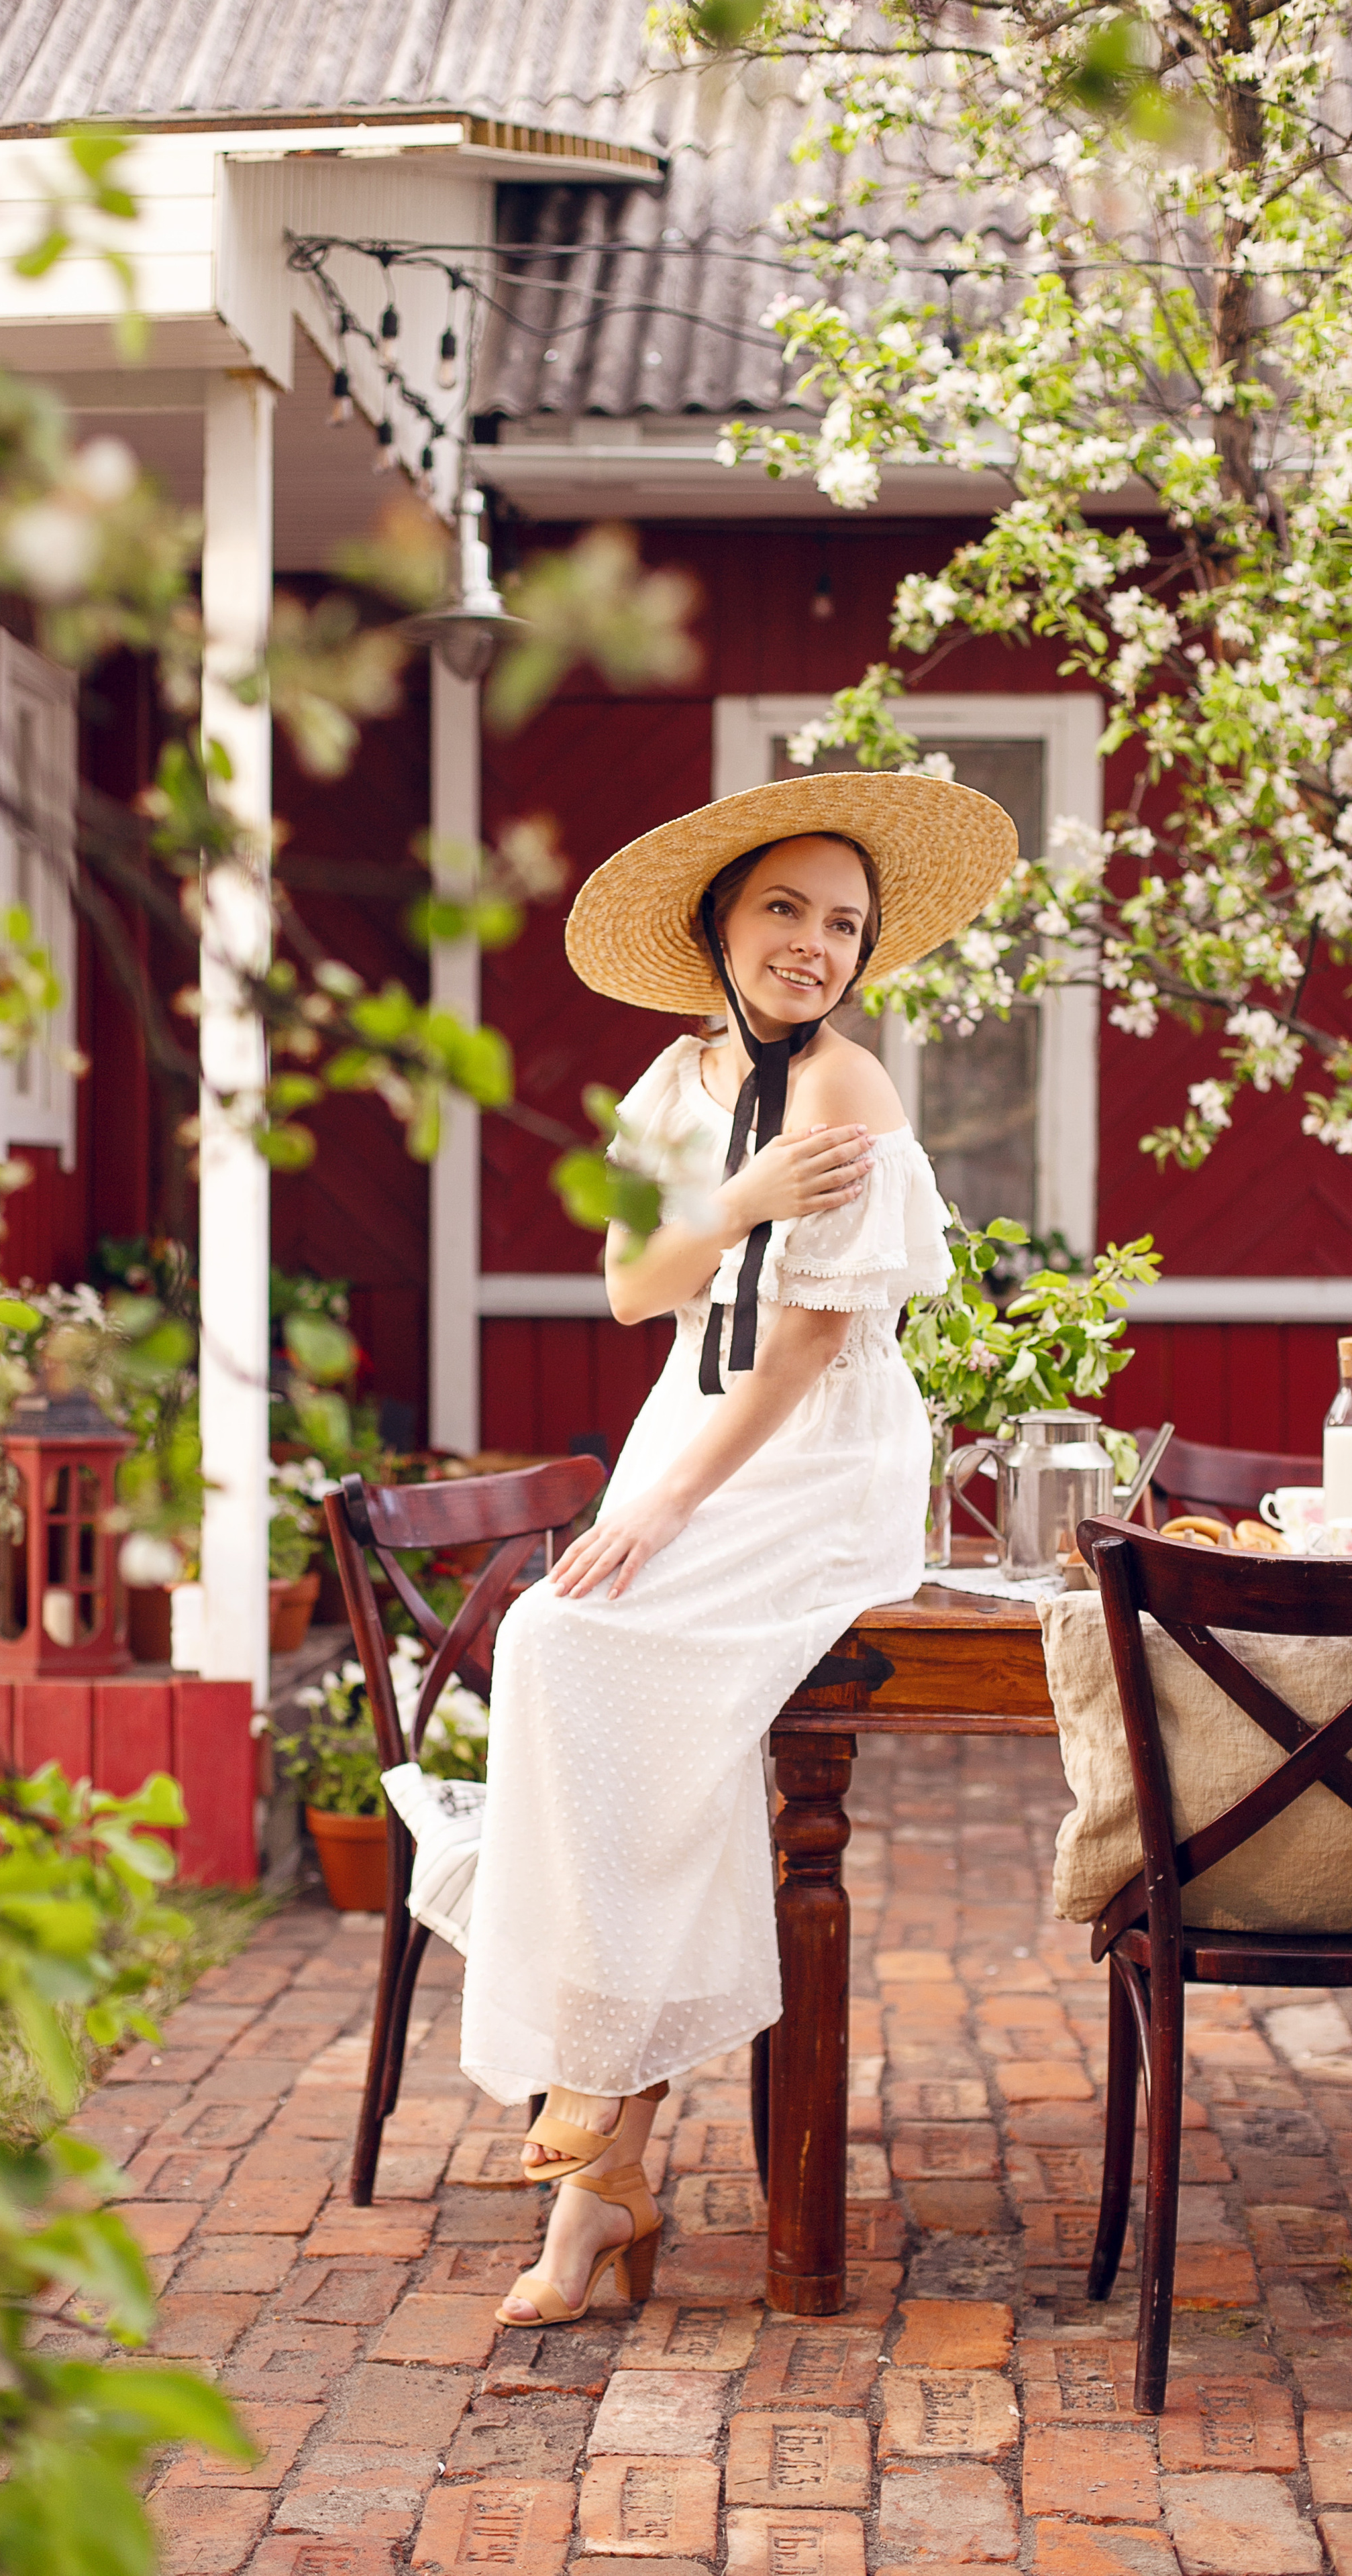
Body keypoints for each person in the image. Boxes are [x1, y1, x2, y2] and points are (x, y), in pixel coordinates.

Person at [458, 769, 1017, 2328]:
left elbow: (799, 1349)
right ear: (717, 921)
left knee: (603, 1658)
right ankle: (604, 2158)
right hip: (682, 1427)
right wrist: (744, 1193)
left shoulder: (850, 1088)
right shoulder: (669, 1085)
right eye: (785, 908)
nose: (815, 945)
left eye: (844, 924)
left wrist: (657, 1505)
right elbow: (635, 1289)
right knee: (564, 1660)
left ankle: (594, 2159)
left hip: (806, 1452)